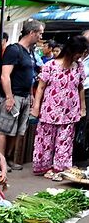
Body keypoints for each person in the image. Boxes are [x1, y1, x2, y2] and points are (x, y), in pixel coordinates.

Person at [30, 35, 88, 179]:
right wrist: (36, 107)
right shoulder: (50, 65)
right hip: (50, 108)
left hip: (70, 110)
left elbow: (80, 87)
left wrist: (83, 107)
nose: (81, 56)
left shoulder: (79, 67)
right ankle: (44, 166)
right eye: (79, 52)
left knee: (65, 140)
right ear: (71, 50)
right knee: (45, 140)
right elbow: (41, 88)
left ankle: (60, 169)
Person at [0, 19, 44, 171]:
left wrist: (30, 96)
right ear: (32, 32)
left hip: (24, 96)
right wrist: (9, 97)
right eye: (40, 34)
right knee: (5, 129)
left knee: (17, 130)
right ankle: (1, 161)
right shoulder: (13, 50)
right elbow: (5, 76)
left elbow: (29, 76)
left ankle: (9, 158)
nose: (41, 37)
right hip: (13, 95)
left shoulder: (29, 52)